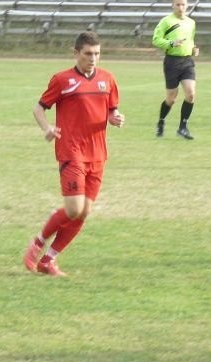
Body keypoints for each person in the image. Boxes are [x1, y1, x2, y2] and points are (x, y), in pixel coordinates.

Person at [23, 31, 124, 277]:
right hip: (71, 151)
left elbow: (112, 111)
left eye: (97, 53)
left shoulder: (107, 79)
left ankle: (49, 260)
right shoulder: (62, 80)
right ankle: (38, 242)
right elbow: (39, 108)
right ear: (76, 53)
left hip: (98, 153)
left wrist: (116, 118)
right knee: (72, 209)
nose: (93, 58)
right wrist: (47, 128)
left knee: (84, 211)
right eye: (88, 54)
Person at [151, 0, 199, 139]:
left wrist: (193, 49)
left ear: (187, 6)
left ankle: (182, 128)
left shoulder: (191, 23)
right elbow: (156, 39)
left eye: (183, 4)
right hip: (172, 62)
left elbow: (190, 40)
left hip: (187, 62)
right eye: (177, 4)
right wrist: (171, 43)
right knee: (171, 98)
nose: (180, 7)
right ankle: (161, 122)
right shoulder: (166, 21)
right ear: (172, 6)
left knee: (190, 94)